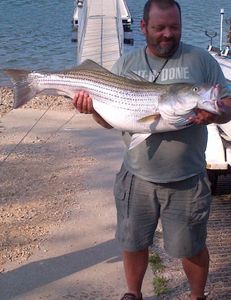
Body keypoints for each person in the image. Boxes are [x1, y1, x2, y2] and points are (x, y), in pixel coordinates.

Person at [72, 1, 231, 299]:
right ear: (144, 27)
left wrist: (217, 113)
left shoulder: (201, 61)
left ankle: (197, 296)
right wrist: (91, 110)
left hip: (187, 177)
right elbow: (110, 122)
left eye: (174, 27)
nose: (167, 34)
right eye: (159, 28)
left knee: (192, 246)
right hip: (137, 175)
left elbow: (226, 103)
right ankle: (133, 293)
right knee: (133, 241)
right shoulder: (126, 65)